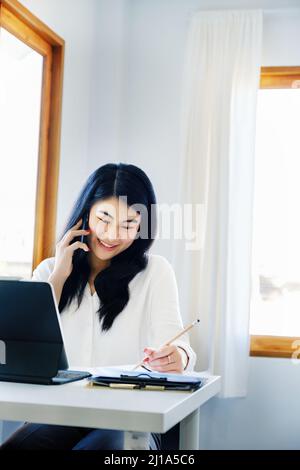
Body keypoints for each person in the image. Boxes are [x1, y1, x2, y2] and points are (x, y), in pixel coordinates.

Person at [0, 163, 196, 450]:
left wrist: (178, 356)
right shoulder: (49, 273)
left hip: (131, 419)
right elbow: (16, 351)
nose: (112, 234)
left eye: (128, 224)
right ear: (85, 214)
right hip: (57, 415)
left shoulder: (156, 272)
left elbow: (182, 348)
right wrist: (58, 279)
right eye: (104, 218)